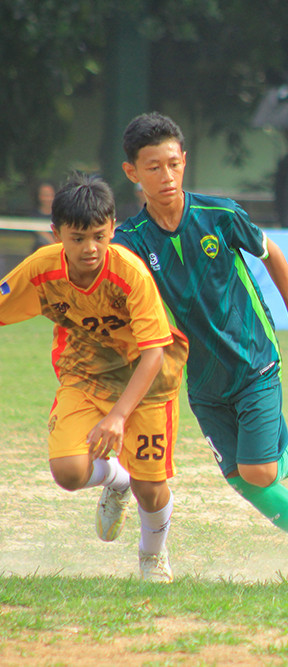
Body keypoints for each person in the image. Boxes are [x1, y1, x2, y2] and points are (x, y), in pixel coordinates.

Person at [114, 112, 288, 583]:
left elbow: (272, 254)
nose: (165, 176)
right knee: (242, 479)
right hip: (202, 378)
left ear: (184, 162)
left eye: (172, 164)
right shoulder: (128, 243)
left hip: (254, 358)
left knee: (260, 471)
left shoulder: (220, 214)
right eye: (152, 167)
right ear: (132, 173)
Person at [0, 174, 189, 582]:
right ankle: (116, 480)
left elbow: (154, 351)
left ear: (113, 229)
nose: (90, 248)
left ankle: (152, 555)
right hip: (84, 374)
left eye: (100, 236)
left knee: (151, 489)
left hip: (149, 382)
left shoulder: (129, 273)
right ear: (56, 236)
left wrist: (119, 416)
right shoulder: (40, 270)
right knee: (68, 472)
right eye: (78, 237)